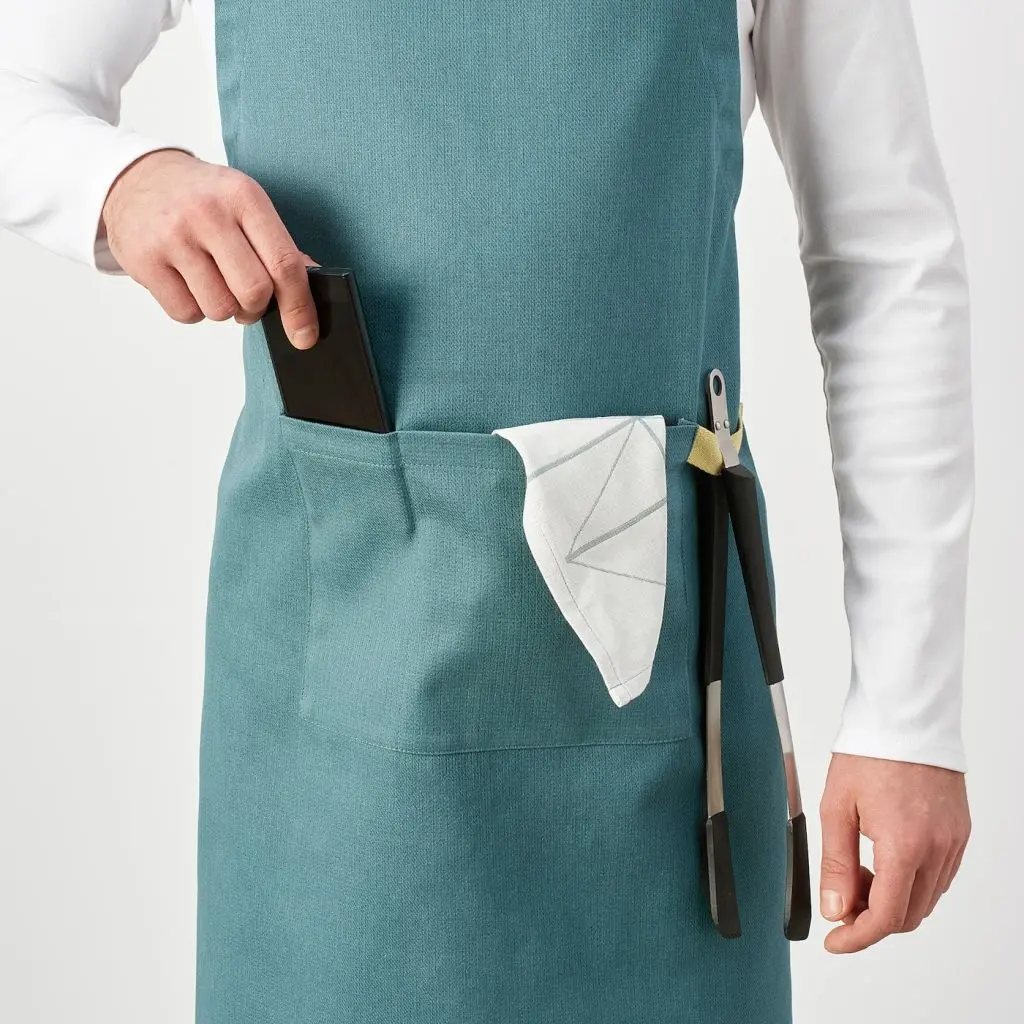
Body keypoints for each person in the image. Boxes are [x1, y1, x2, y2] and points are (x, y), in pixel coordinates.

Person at [0, 1, 973, 1021]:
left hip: (663, 708)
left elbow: (885, 262)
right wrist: (120, 181)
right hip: (332, 684)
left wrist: (908, 713)